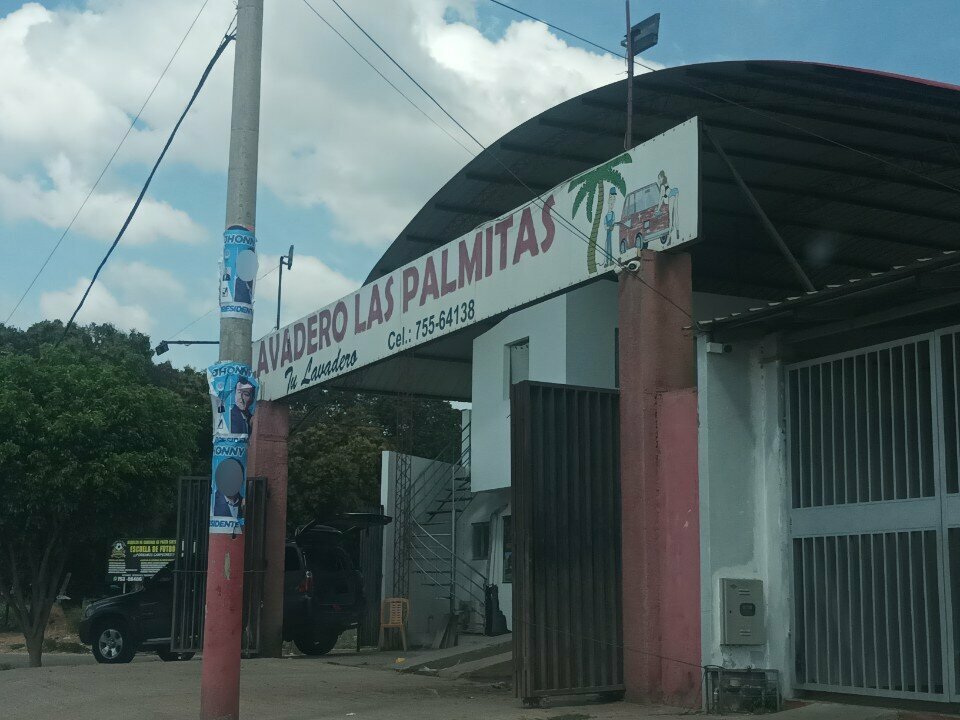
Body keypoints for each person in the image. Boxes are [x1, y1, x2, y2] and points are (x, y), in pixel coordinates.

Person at [603, 186, 618, 266]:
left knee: (610, 247)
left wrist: (612, 226)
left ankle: (610, 261)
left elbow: (613, 222)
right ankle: (606, 262)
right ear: (608, 200)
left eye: (614, 202)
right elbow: (605, 225)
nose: (612, 204)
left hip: (610, 232)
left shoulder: (613, 214)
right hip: (608, 232)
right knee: (606, 247)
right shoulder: (606, 216)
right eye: (611, 201)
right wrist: (608, 227)